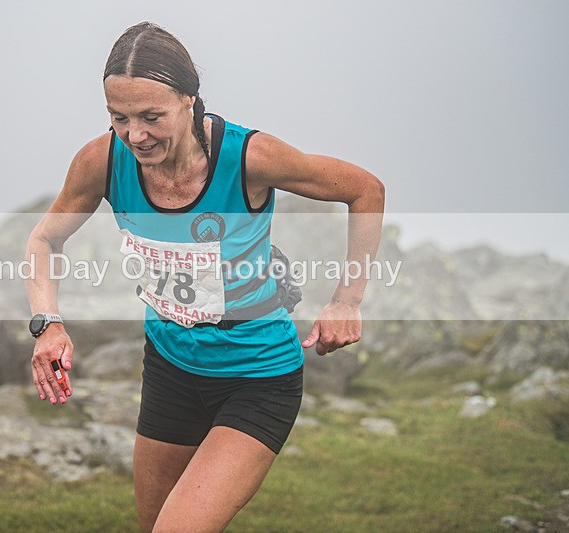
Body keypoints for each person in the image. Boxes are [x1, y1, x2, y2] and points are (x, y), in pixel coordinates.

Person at [24, 21, 385, 532]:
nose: (135, 135)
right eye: (119, 117)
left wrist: (348, 300)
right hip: (171, 369)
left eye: (152, 117)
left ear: (189, 100)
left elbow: (365, 190)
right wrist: (48, 323)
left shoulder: (249, 157)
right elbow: (43, 239)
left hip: (257, 376)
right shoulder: (101, 161)